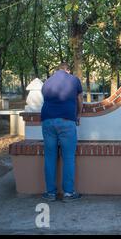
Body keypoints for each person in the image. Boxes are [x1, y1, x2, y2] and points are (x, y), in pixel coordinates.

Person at [40, 62, 83, 202]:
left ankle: (50, 193)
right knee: (68, 158)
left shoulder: (46, 82)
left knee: (50, 157)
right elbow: (80, 99)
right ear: (68, 70)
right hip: (66, 121)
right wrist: (78, 114)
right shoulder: (74, 80)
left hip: (47, 121)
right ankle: (68, 194)